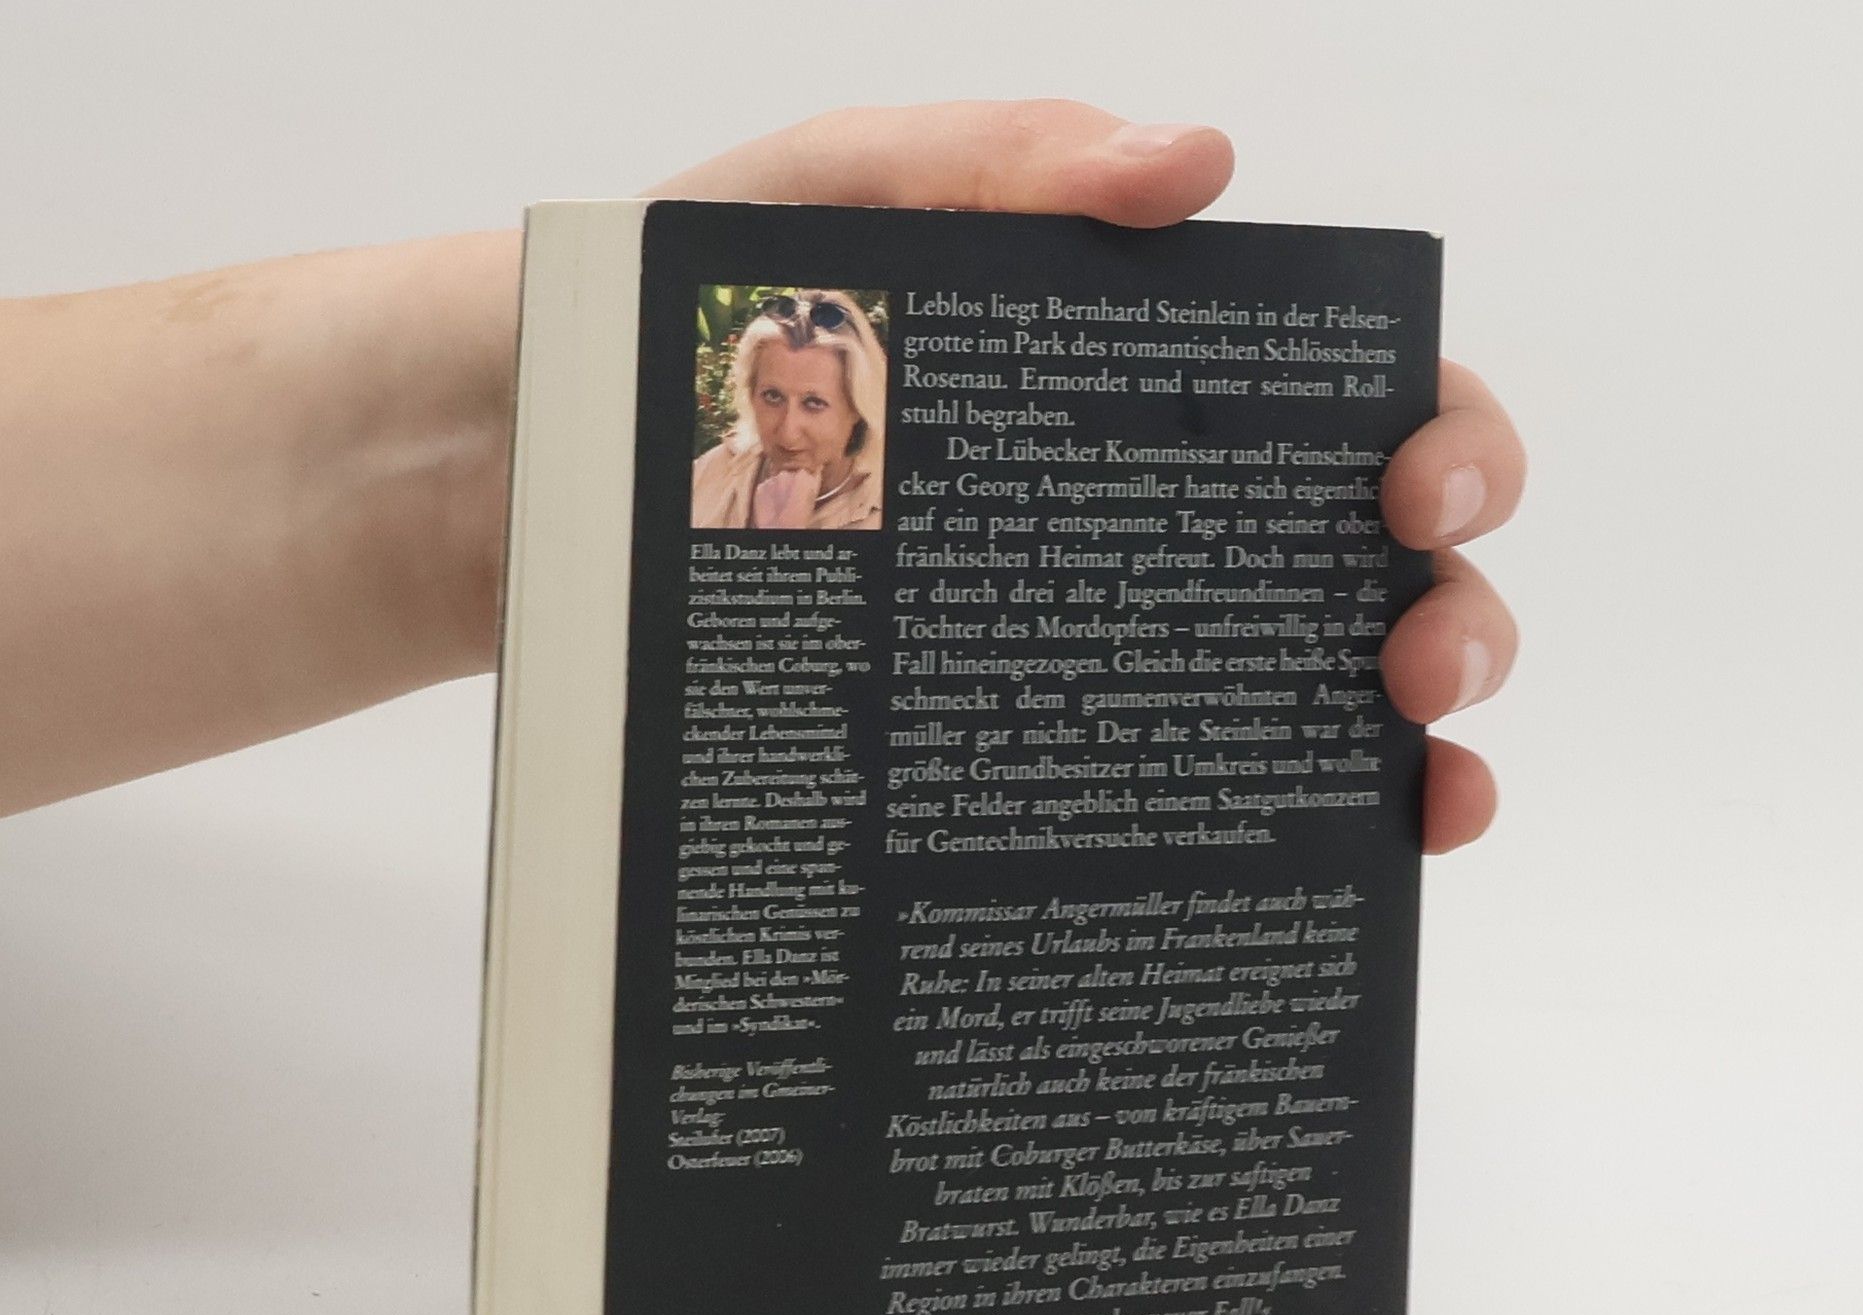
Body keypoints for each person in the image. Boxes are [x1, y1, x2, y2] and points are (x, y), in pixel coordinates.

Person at [0, 100, 1523, 843]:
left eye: (815, 404)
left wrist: (501, 440)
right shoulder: (721, 493)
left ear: (857, 419)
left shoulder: (856, 500)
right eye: (771, 399)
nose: (792, 424)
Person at [691, 289, 887, 530]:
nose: (788, 433)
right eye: (773, 397)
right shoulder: (712, 473)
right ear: (751, 394)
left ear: (857, 407)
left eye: (814, 403)